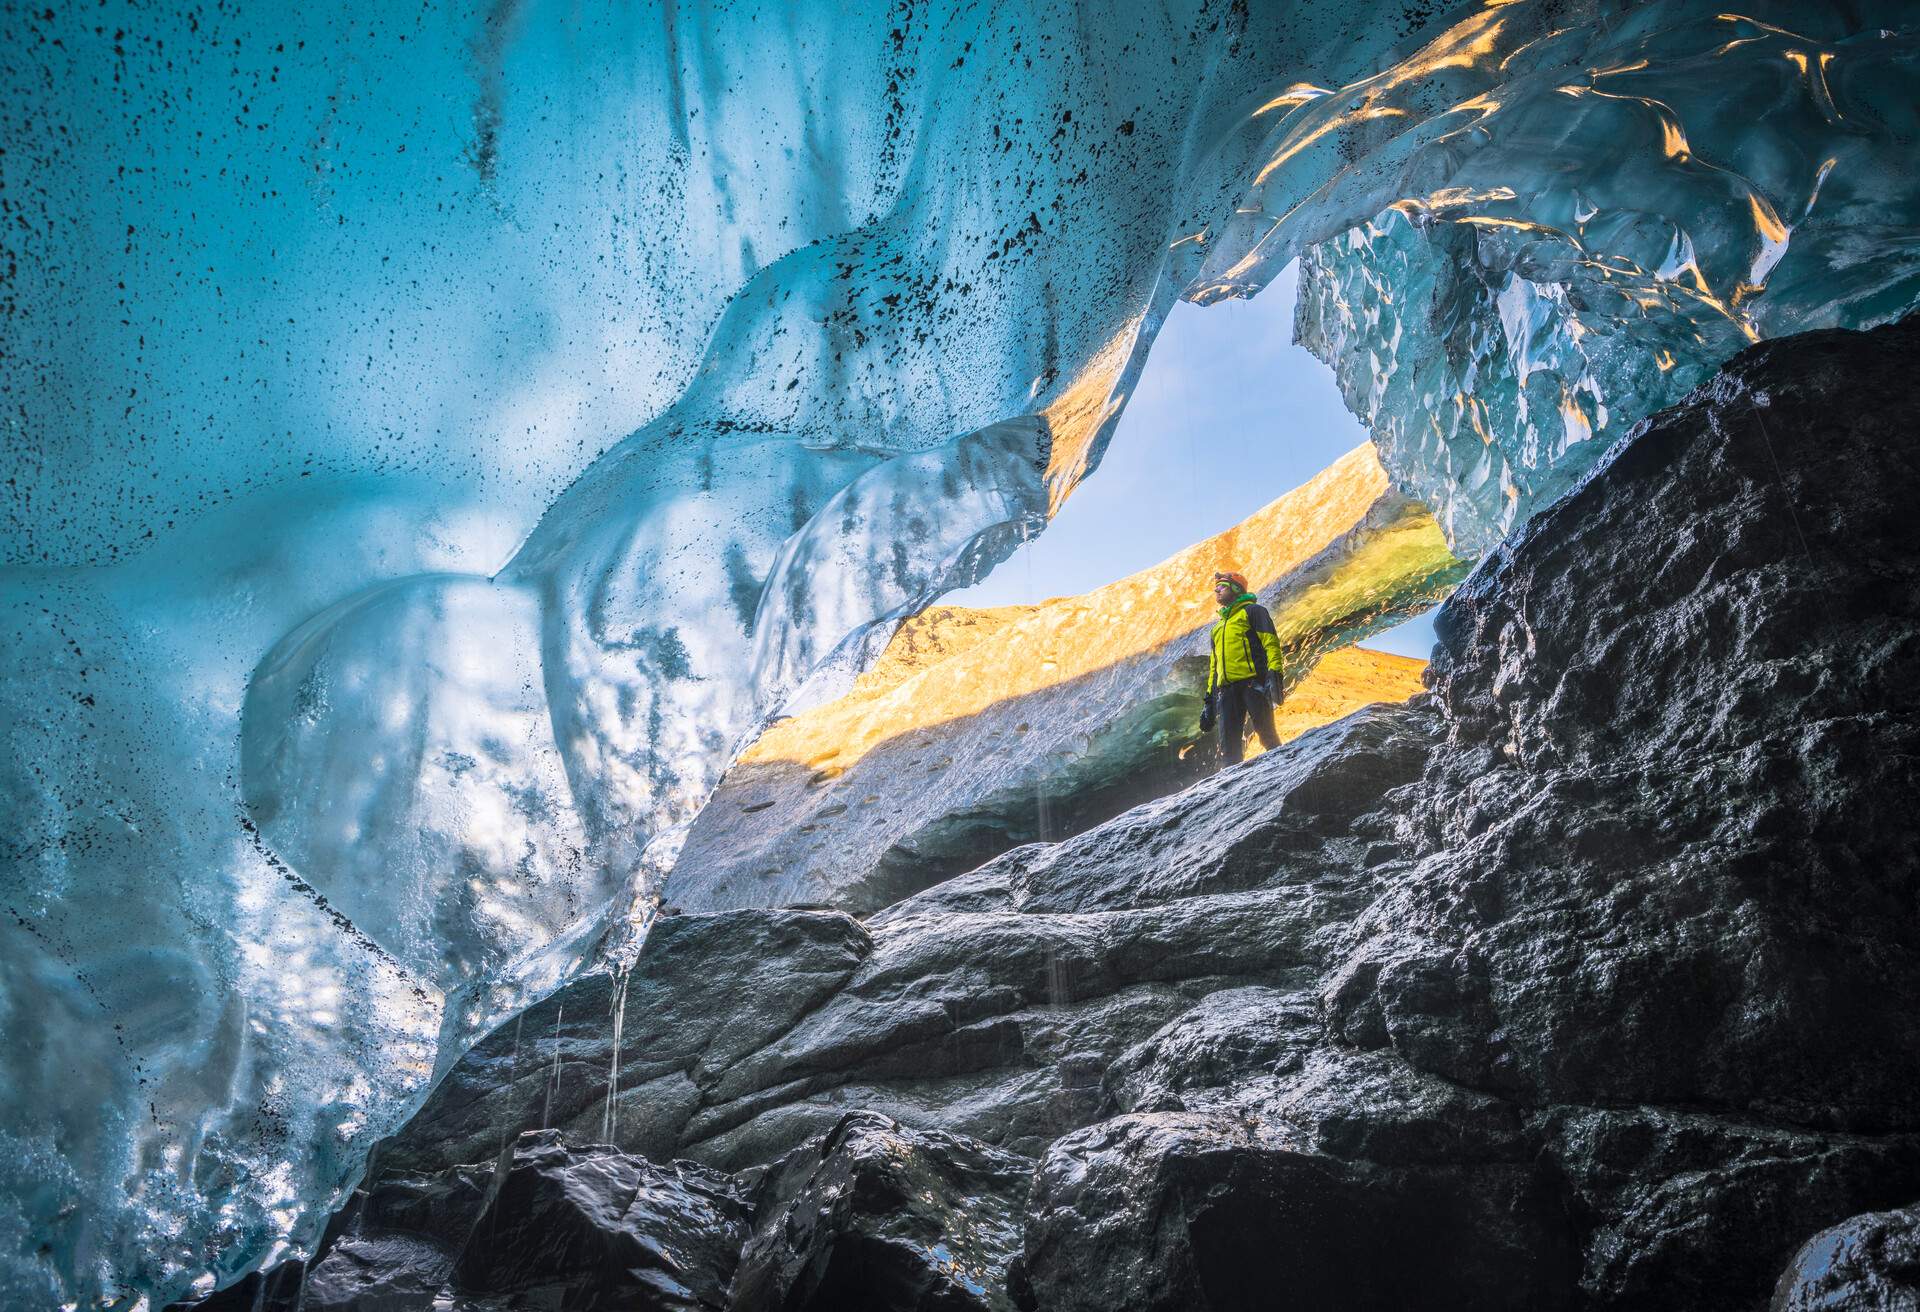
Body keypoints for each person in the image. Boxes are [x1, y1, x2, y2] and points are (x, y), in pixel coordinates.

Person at [1199, 570, 1284, 765]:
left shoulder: (1254, 612)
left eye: (1221, 586)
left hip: (1253, 685)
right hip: (1227, 692)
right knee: (1228, 749)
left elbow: (1270, 643)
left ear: (1235, 589)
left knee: (1267, 736)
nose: (1216, 590)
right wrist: (1209, 702)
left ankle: (1285, 775)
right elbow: (1215, 667)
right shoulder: (1217, 628)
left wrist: (1275, 675)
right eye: (1216, 587)